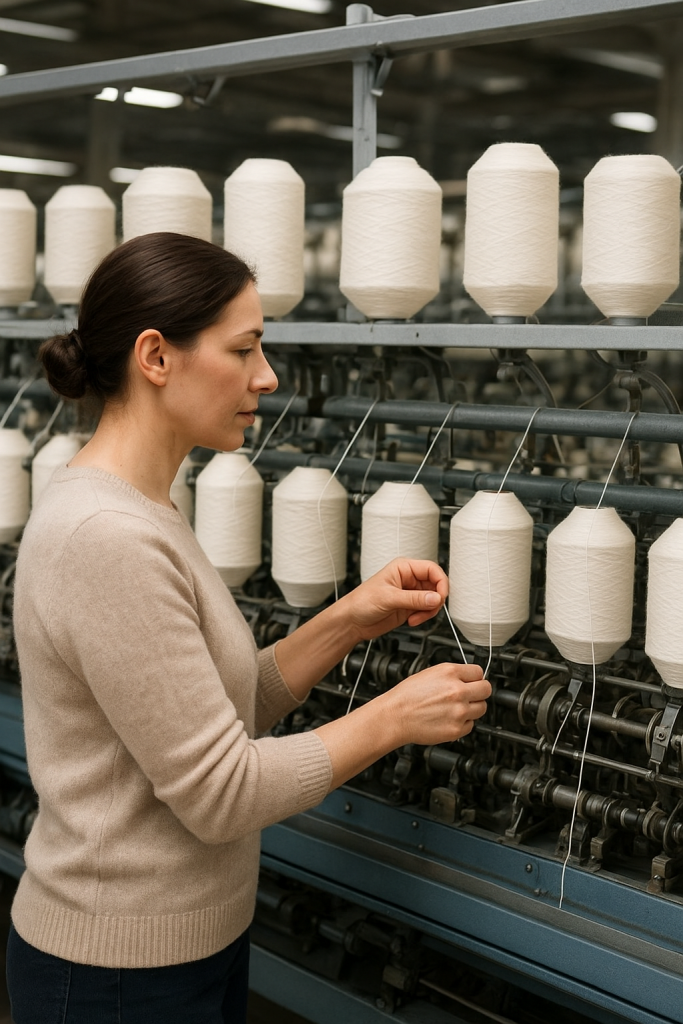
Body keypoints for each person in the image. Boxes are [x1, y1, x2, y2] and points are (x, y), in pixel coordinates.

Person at [6, 231, 490, 1024]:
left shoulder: (143, 508)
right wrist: (393, 718)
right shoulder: (106, 536)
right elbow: (220, 792)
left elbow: (219, 711)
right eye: (245, 349)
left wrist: (346, 620)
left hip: (181, 945)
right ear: (156, 357)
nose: (266, 377)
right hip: (115, 971)